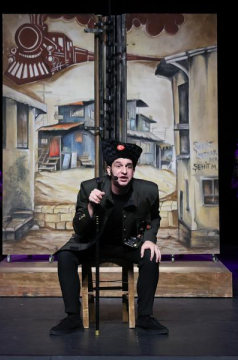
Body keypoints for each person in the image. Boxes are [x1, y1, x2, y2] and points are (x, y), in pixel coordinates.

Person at [49, 139, 169, 336]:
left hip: (127, 245)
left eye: (128, 166)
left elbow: (154, 217)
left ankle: (145, 317)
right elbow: (79, 227)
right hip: (93, 244)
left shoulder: (148, 190)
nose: (124, 171)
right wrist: (90, 206)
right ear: (109, 169)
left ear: (133, 170)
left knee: (150, 256)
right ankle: (72, 317)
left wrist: (149, 239)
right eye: (118, 166)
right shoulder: (89, 188)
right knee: (64, 256)